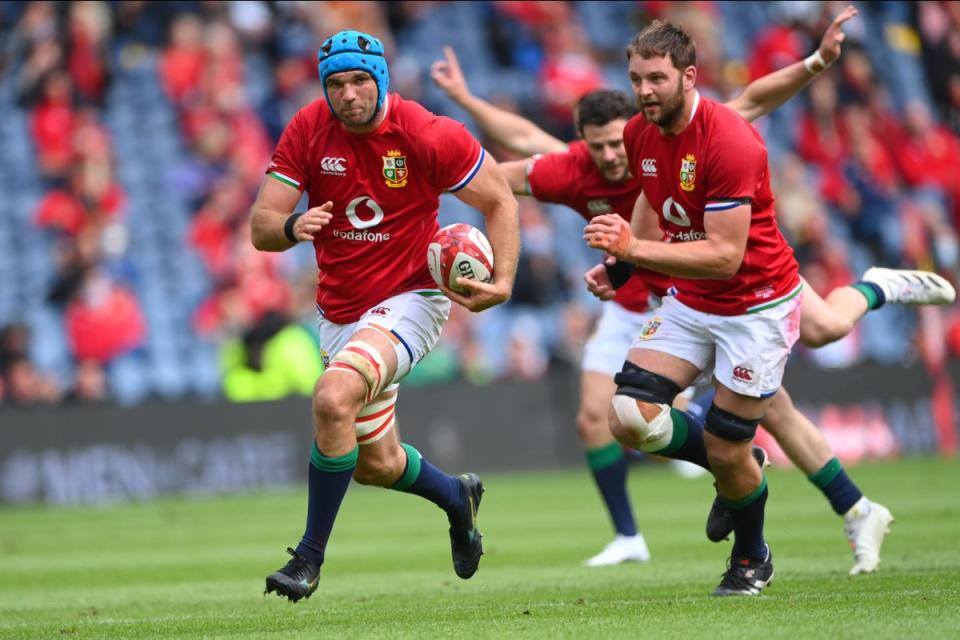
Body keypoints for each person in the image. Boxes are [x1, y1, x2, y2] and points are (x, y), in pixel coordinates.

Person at [431, 6, 953, 575]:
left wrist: (816, 61)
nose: (613, 152)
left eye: (655, 79)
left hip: (750, 288)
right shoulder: (619, 145)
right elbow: (549, 158)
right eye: (637, 80)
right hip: (676, 297)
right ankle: (829, 506)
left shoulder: (718, 136)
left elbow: (744, 144)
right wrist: (623, 267)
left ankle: (873, 295)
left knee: (821, 335)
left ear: (687, 77)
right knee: (629, 417)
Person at [249, 30, 519, 603]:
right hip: (340, 312)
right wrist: (295, 226)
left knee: (331, 398)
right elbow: (261, 225)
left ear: (381, 80)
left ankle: (307, 558)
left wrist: (503, 282)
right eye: (336, 84)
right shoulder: (306, 129)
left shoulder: (425, 131)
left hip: (413, 299)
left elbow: (500, 198)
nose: (347, 94)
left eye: (359, 81)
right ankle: (456, 498)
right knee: (375, 464)